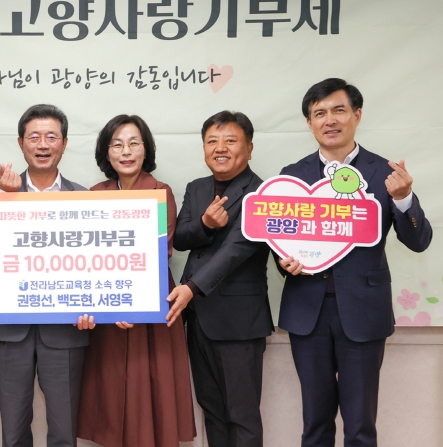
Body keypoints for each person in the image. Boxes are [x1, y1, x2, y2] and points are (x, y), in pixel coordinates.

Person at [275, 78, 432, 447]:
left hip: (364, 310)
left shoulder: (385, 173)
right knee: (315, 423)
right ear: (309, 123)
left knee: (360, 425)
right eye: (320, 113)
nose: (329, 120)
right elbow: (280, 237)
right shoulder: (292, 176)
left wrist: (404, 198)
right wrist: (283, 260)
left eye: (339, 110)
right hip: (307, 311)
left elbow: (419, 241)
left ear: (357, 116)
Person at [0, 104, 88, 447]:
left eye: (51, 136)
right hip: (10, 327)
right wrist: (5, 199)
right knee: (13, 430)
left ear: (64, 144)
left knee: (64, 430)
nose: (43, 144)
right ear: (21, 143)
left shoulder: (82, 196)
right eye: (34, 137)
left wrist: (93, 305)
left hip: (65, 329)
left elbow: (92, 265)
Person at [75, 114, 196, 447]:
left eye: (133, 143)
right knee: (111, 392)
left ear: (146, 149)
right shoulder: (95, 193)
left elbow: (159, 252)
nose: (125, 151)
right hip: (106, 303)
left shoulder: (160, 191)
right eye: (117, 144)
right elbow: (86, 257)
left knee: (150, 393)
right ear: (106, 152)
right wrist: (110, 304)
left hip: (150, 301)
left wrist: (130, 302)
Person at [166, 111, 273, 447]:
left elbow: (237, 249)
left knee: (242, 415)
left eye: (230, 140)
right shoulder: (196, 188)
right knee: (212, 409)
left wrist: (191, 288)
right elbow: (181, 238)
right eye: (212, 141)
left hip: (239, 322)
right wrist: (206, 224)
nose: (220, 148)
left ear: (249, 148)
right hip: (198, 319)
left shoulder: (263, 193)